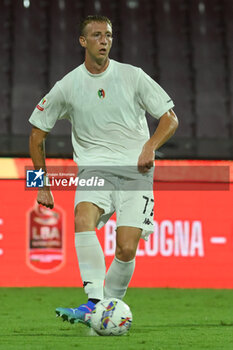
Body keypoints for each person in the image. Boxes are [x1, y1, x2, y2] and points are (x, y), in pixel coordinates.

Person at [29, 15, 178, 327]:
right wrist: (40, 185)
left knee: (125, 247)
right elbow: (36, 133)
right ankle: (94, 303)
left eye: (108, 35)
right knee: (83, 217)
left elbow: (170, 118)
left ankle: (105, 309)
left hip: (136, 172)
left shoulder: (132, 76)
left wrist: (150, 145)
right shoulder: (67, 86)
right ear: (83, 41)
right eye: (96, 35)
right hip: (94, 169)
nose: (104, 41)